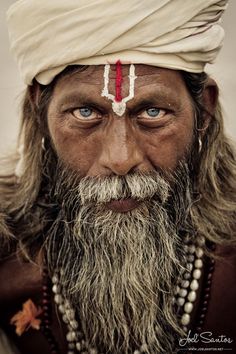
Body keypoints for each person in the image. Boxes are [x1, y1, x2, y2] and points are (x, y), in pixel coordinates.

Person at [0, 1, 235, 353]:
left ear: (203, 108)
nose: (121, 159)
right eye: (86, 112)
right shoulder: (7, 266)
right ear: (40, 111)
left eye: (153, 112)